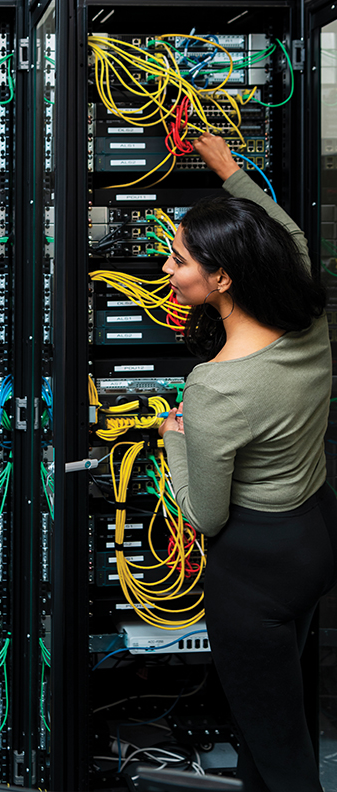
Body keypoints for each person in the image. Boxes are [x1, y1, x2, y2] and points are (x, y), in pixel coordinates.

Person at [158, 132, 337, 792]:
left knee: (284, 753)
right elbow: (283, 233)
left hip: (256, 573)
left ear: (222, 278)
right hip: (315, 535)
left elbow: (206, 513)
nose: (168, 269)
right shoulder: (308, 315)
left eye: (179, 261)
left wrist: (174, 435)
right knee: (271, 730)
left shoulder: (219, 385)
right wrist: (230, 172)